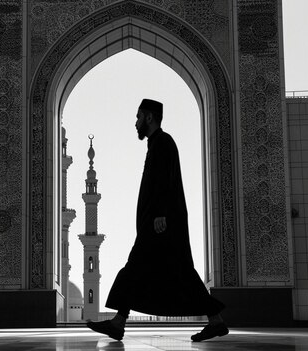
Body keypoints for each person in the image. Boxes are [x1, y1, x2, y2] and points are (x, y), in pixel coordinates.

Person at [86, 99, 228, 342]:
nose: (136, 122)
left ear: (149, 117)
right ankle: (215, 321)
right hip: (156, 224)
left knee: (136, 269)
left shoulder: (163, 142)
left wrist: (161, 213)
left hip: (161, 225)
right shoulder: (156, 144)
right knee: (176, 272)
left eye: (138, 116)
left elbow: (165, 180)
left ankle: (119, 322)